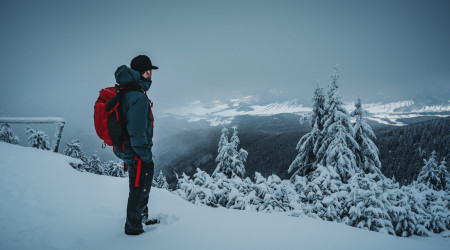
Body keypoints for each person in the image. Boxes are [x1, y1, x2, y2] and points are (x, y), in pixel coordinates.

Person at [113, 55, 159, 235]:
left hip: (128, 149)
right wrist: (146, 157)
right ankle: (133, 227)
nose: (150, 76)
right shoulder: (138, 97)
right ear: (141, 73)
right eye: (148, 72)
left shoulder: (127, 91)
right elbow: (138, 132)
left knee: (138, 186)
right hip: (137, 152)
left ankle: (141, 218)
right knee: (140, 189)